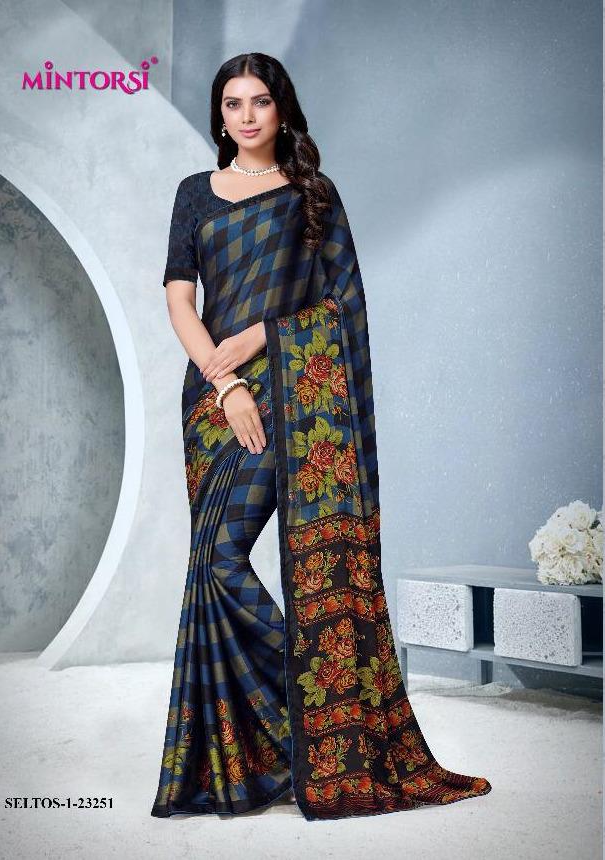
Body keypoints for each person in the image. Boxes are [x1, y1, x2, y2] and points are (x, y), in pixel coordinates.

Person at [151, 52, 491, 822]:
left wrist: (261, 338)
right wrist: (225, 381)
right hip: (211, 402)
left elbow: (342, 309)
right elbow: (178, 301)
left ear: (281, 109)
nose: (246, 116)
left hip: (293, 397)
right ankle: (313, 722)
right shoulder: (194, 194)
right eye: (232, 103)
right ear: (219, 116)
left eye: (259, 101)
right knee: (211, 566)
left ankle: (336, 713)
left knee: (220, 562)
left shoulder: (312, 194)